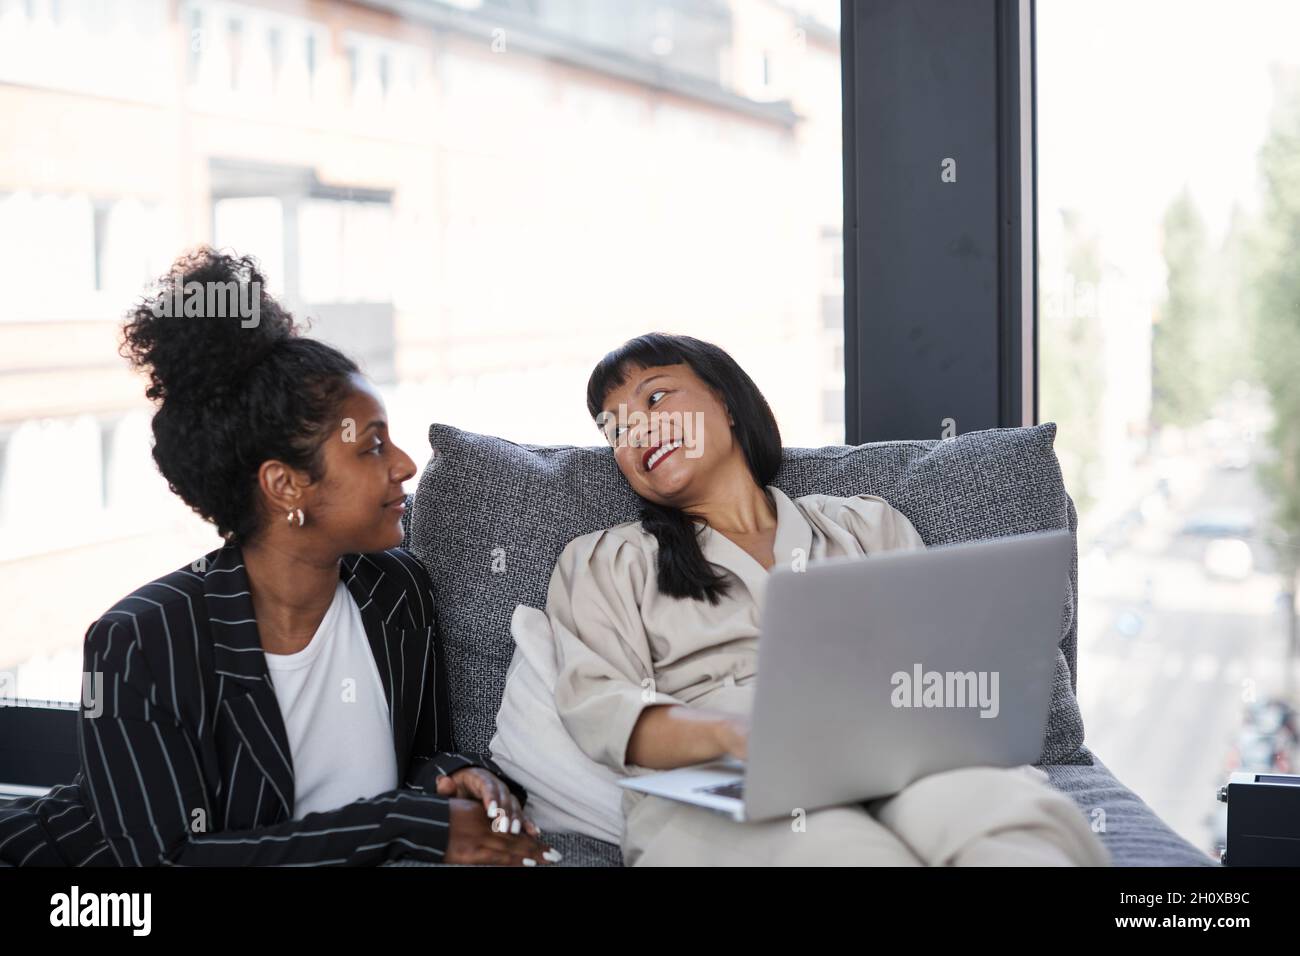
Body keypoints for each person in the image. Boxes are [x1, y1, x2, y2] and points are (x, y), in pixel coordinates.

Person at [0, 249, 559, 867]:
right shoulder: (140, 639)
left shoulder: (397, 591)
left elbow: (416, 760)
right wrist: (403, 826)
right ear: (286, 486)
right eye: (372, 447)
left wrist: (457, 778)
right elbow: (167, 865)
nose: (405, 465)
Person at [543, 331, 1112, 866]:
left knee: (1013, 821)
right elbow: (602, 709)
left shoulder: (864, 526)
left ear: (726, 399)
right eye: (614, 429)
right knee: (842, 853)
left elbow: (938, 667)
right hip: (724, 776)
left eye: (656, 397)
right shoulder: (606, 562)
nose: (635, 431)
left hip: (892, 755)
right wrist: (735, 734)